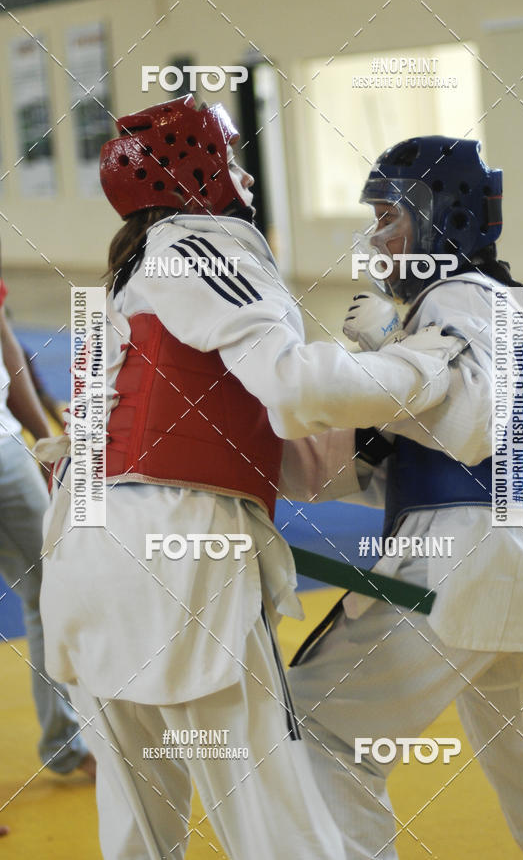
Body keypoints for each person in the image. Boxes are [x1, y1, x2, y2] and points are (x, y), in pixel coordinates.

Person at [35, 97, 464, 860]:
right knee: (277, 825)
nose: (245, 179)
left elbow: (290, 459)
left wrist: (375, 413)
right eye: (229, 159)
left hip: (86, 560)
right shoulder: (207, 240)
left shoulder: (119, 286)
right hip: (178, 557)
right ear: (194, 174)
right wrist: (420, 364)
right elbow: (294, 386)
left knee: (137, 833)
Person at [287, 135, 523, 860]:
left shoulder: (458, 297)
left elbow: (473, 418)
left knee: (321, 726)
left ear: (438, 217)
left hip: (463, 559)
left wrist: (387, 353)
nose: (377, 235)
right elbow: (409, 452)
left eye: (389, 217)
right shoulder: (489, 302)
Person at [0, 259, 94, 780]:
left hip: (6, 447)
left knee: (51, 587)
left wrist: (42, 439)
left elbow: (7, 345)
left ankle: (67, 745)